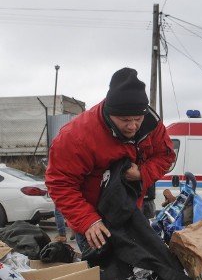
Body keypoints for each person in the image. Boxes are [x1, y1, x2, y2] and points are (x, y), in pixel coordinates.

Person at [46, 67, 175, 252]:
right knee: (100, 276)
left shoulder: (151, 124)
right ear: (110, 111)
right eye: (124, 120)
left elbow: (166, 155)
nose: (132, 126)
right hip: (95, 222)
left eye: (137, 118)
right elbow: (60, 183)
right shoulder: (76, 137)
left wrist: (142, 173)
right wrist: (88, 221)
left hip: (132, 215)